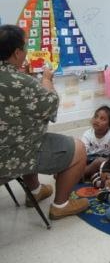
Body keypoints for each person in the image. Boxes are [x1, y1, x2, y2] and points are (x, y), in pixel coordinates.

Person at [0, 24, 88, 219]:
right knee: (79, 149)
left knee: (28, 132)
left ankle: (35, 191)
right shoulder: (23, 83)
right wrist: (46, 80)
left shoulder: (20, 80)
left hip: (9, 147)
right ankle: (61, 205)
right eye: (25, 47)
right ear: (16, 53)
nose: (26, 52)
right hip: (9, 158)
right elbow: (50, 105)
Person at [81, 105, 110, 179]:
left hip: (104, 163)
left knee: (98, 161)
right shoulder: (88, 134)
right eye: (96, 116)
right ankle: (82, 174)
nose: (97, 120)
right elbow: (83, 152)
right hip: (89, 160)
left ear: (109, 125)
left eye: (102, 119)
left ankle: (77, 176)